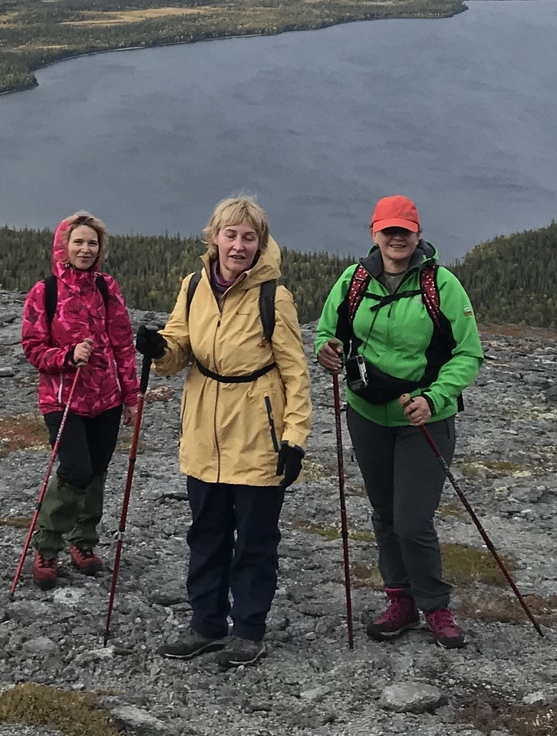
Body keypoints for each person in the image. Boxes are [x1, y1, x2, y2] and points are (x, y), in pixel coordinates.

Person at [134, 196, 311, 668]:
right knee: (206, 533)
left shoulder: (275, 296)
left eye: (248, 237)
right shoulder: (193, 287)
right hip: (203, 430)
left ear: (260, 244)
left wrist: (295, 438)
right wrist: (158, 349)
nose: (238, 245)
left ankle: (249, 630)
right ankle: (206, 625)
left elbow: (295, 373)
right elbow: (179, 350)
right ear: (214, 237)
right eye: (230, 235)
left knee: (254, 540)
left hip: (258, 432)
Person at [314, 194, 483, 647]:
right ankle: (399, 601)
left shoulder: (442, 285)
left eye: (404, 230)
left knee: (412, 520)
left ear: (417, 234)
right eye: (388, 229)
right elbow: (327, 331)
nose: (396, 237)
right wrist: (326, 349)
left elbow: (469, 353)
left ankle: (435, 605)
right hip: (367, 414)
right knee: (386, 514)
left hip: (425, 418)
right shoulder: (353, 281)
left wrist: (434, 397)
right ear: (375, 233)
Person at [19, 212, 140, 586]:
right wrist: (67, 357)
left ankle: (83, 541)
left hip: (107, 399)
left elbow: (123, 344)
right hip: (62, 399)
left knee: (98, 469)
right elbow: (33, 348)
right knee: (75, 469)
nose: (85, 249)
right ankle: (47, 545)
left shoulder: (107, 288)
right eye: (78, 242)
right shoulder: (45, 291)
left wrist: (132, 397)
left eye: (92, 243)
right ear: (63, 246)